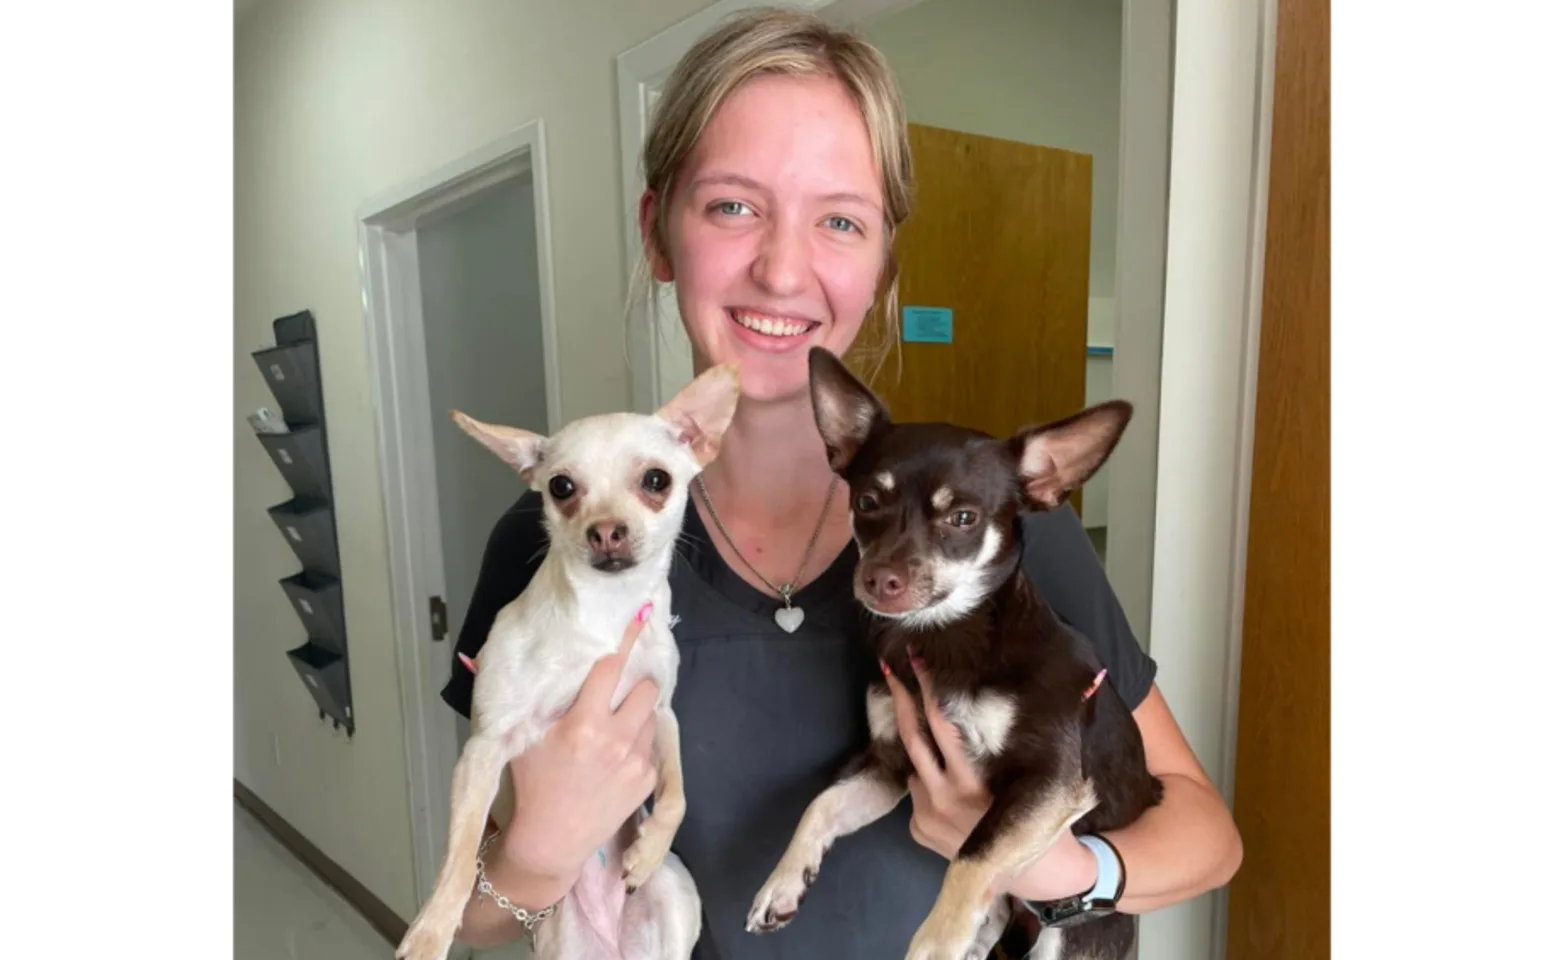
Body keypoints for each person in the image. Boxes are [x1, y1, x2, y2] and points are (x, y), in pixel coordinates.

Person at [438, 8, 1242, 958]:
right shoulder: (557, 545)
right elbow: (482, 921)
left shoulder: (1007, 546)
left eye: (840, 221)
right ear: (659, 235)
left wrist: (1062, 874)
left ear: (883, 267)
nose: (783, 271)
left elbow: (1206, 837)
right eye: (732, 206)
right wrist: (538, 851)